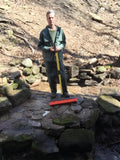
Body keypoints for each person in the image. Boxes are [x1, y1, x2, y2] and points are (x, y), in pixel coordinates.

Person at [38, 9, 69, 99]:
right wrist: (48, 48)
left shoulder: (60, 31)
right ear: (47, 19)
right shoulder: (43, 32)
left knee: (62, 75)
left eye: (52, 17)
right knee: (51, 76)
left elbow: (63, 42)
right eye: (49, 18)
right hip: (49, 59)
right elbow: (40, 45)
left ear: (55, 18)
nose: (51, 19)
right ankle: (53, 93)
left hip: (58, 58)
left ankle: (65, 92)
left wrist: (60, 47)